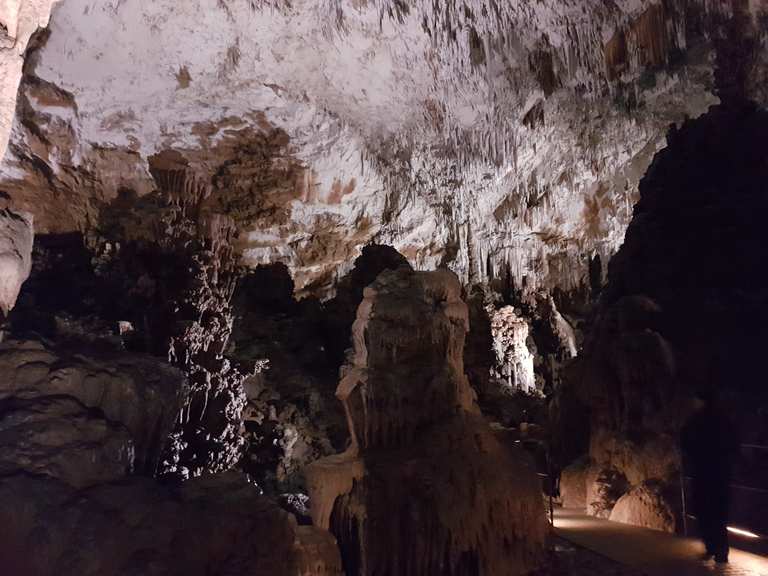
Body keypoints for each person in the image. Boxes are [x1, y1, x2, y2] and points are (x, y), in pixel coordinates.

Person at [681, 389, 738, 564]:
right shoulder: (722, 420)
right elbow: (733, 444)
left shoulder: (697, 422)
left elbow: (686, 440)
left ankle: (715, 548)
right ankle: (717, 549)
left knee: (708, 513)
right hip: (718, 474)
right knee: (716, 514)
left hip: (706, 473)